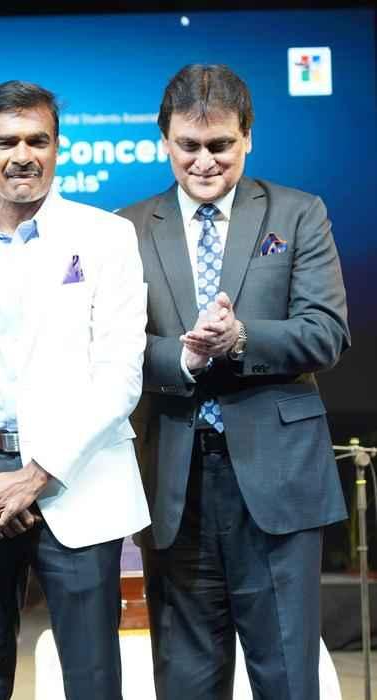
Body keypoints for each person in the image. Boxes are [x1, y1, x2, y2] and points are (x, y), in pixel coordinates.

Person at [0, 80, 150, 700]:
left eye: (38, 141)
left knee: (94, 684)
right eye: (6, 142)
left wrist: (37, 475)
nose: (23, 155)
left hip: (77, 482)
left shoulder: (107, 237)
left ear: (57, 147)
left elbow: (119, 373)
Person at [118, 64, 350, 699]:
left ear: (248, 136)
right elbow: (109, 350)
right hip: (173, 480)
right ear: (164, 139)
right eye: (188, 145)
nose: (204, 161)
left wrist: (241, 337)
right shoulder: (125, 228)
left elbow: (326, 332)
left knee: (287, 679)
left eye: (220, 144)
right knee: (186, 681)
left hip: (279, 480)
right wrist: (185, 357)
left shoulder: (298, 214)